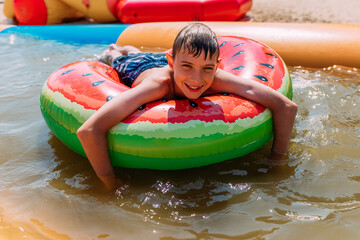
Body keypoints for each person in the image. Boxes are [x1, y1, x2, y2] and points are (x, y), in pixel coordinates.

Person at [77, 23, 298, 189]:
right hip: (138, 68)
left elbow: (287, 107)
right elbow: (88, 130)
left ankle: (136, 50)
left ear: (217, 66)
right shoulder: (158, 85)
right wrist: (109, 184)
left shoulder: (216, 77)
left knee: (156, 57)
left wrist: (277, 161)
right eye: (187, 66)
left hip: (166, 61)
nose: (196, 79)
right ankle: (117, 49)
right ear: (172, 62)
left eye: (207, 68)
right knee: (121, 57)